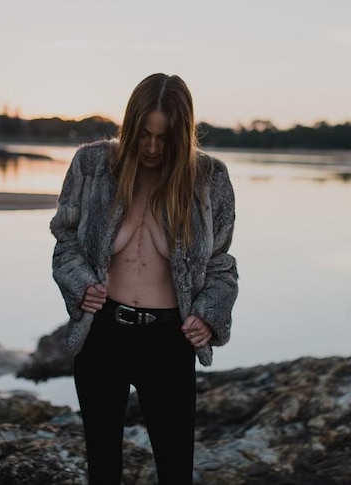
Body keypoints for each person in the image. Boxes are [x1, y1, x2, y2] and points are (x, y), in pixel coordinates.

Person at [50, 73, 238, 484]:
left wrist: (207, 315)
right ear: (130, 125)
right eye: (144, 135)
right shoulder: (92, 165)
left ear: (183, 134)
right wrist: (81, 283)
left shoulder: (209, 179)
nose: (152, 148)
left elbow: (221, 263)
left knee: (174, 470)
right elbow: (65, 238)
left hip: (169, 342)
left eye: (165, 138)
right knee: (102, 467)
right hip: (102, 336)